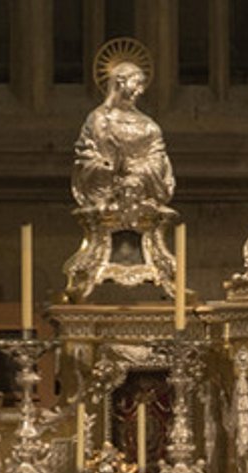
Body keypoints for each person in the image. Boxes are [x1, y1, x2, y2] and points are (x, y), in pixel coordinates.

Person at [68, 53, 178, 295]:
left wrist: (138, 175)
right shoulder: (98, 121)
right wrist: (106, 168)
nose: (140, 90)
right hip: (105, 199)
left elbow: (157, 159)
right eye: (135, 83)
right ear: (119, 83)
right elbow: (86, 155)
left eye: (141, 84)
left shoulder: (148, 126)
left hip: (143, 197)